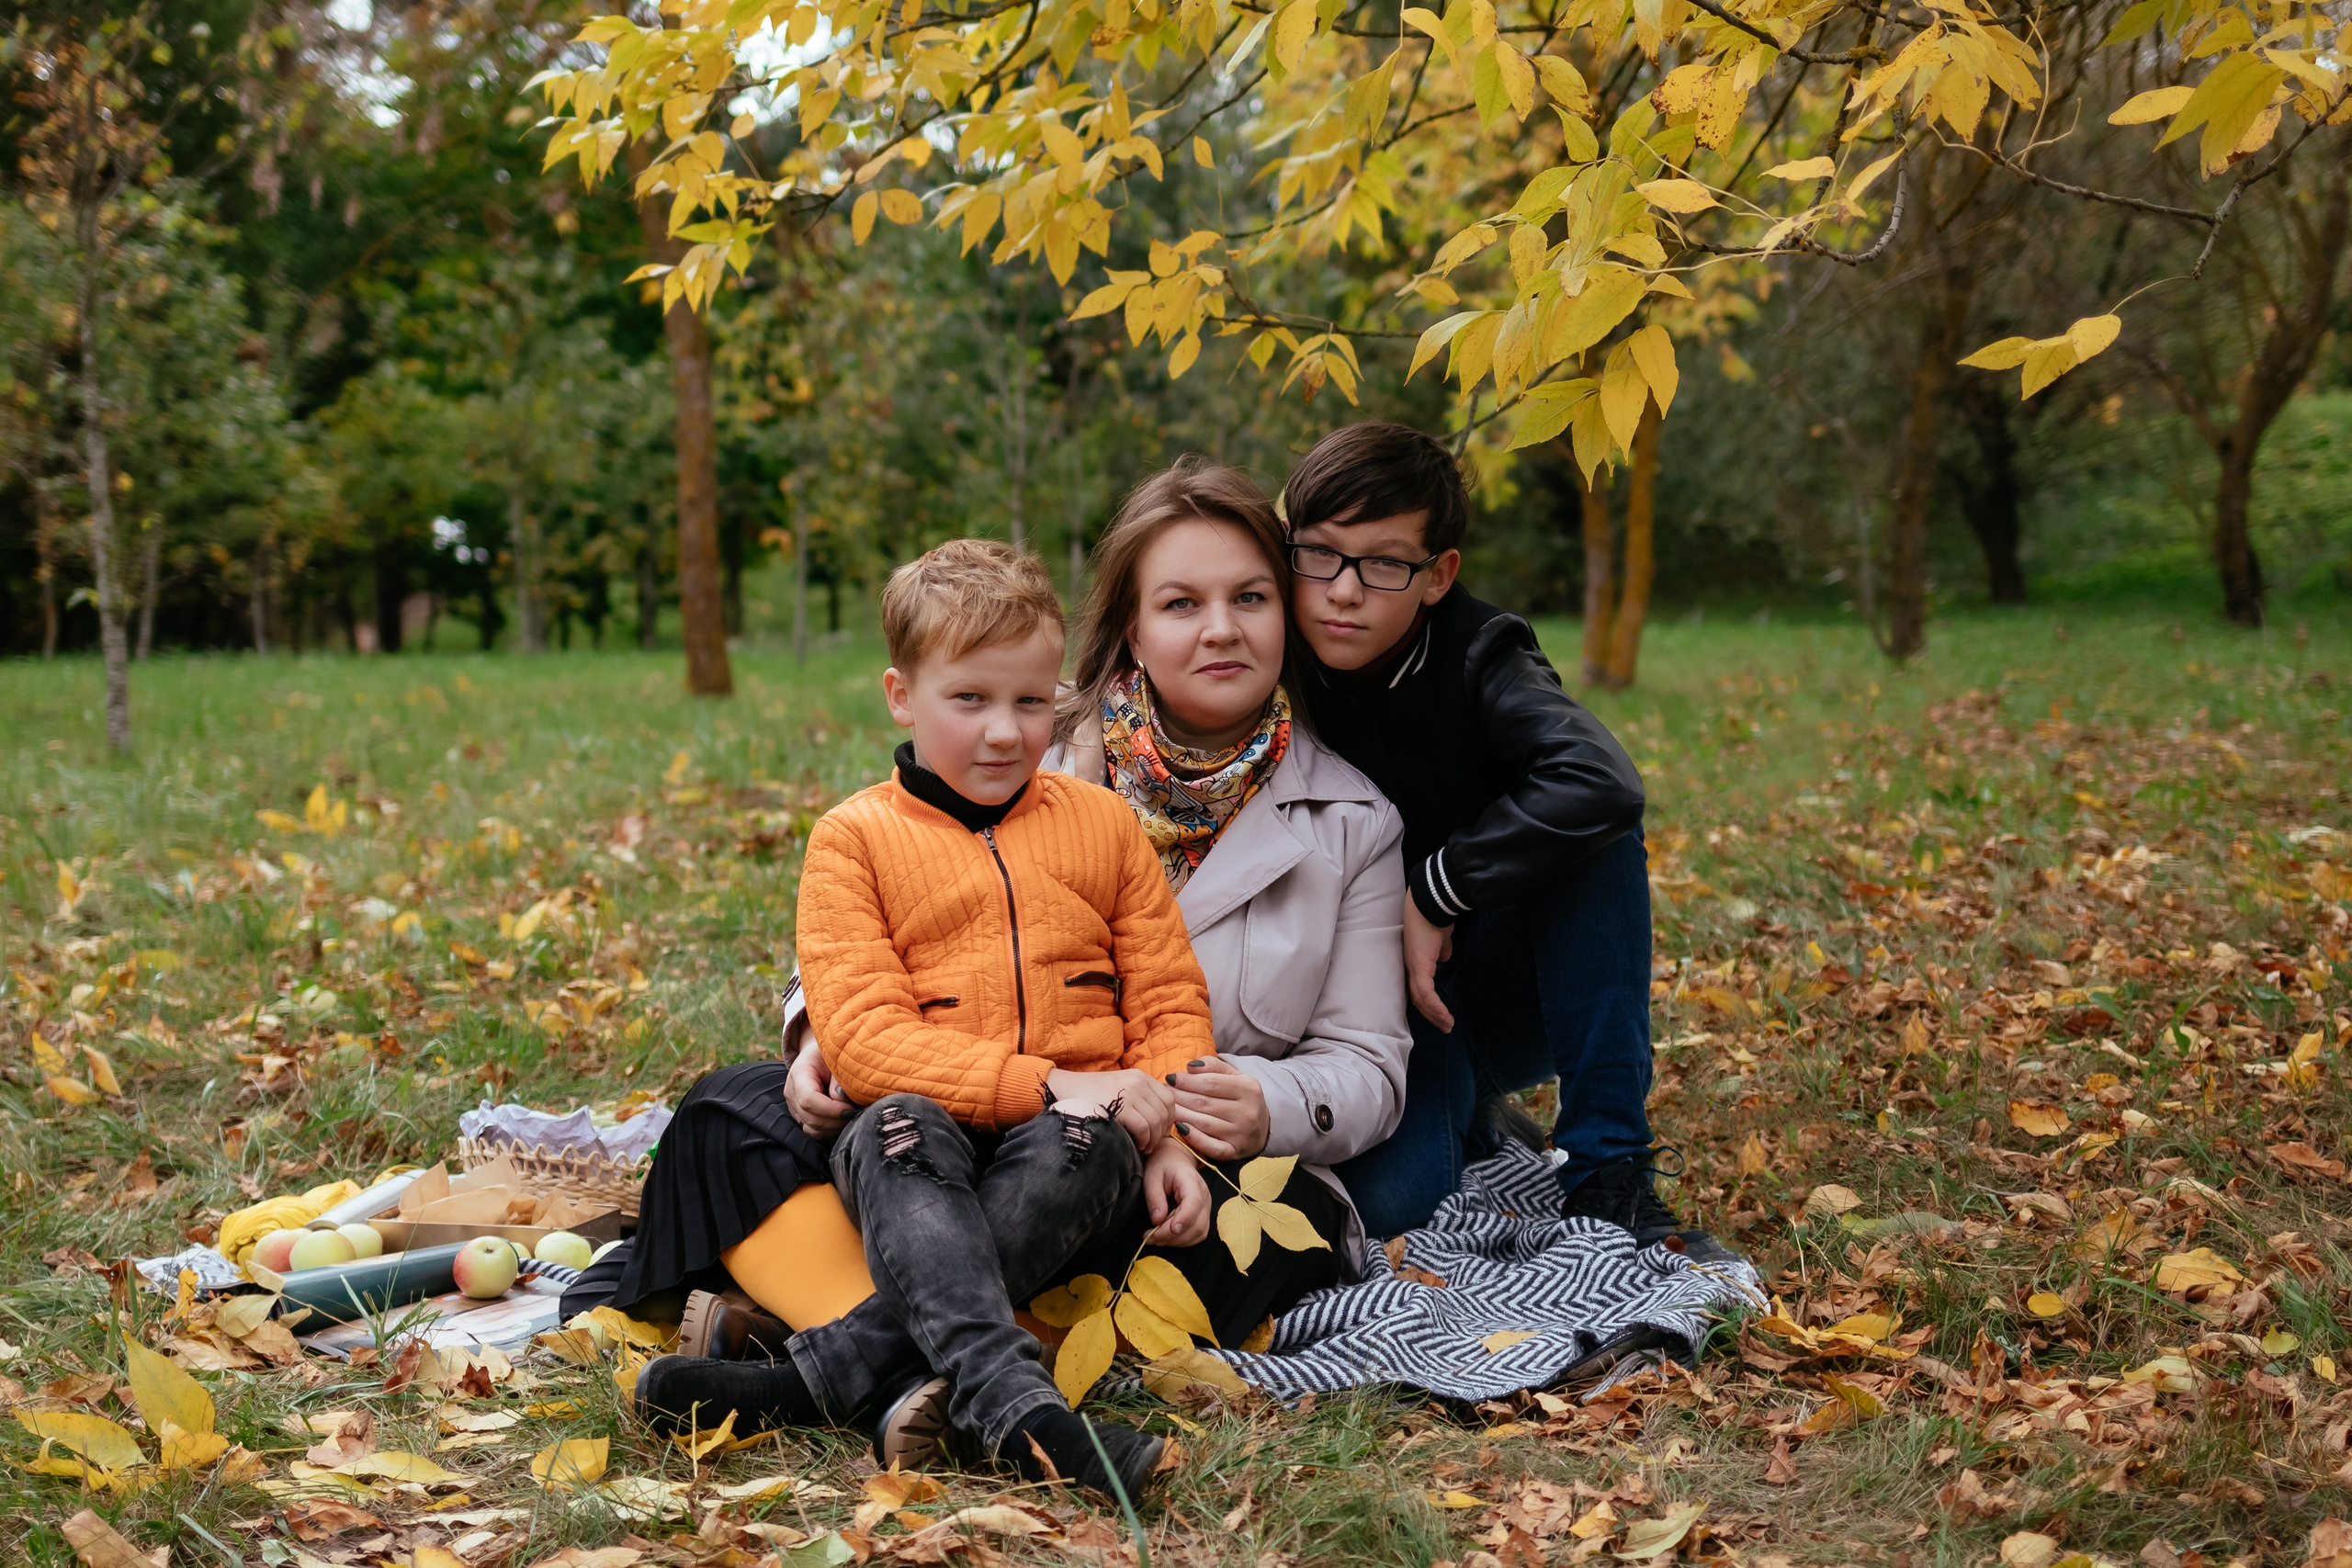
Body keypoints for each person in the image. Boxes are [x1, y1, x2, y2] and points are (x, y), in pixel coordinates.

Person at [774, 459, 1410, 1397]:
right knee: (748, 1124)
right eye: (1182, 602)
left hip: (1171, 1154)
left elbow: (1368, 1064)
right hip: (966, 1093)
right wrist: (820, 1035)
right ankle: (972, 1358)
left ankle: (848, 1356)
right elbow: (894, 902)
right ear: (1134, 628)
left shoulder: (1352, 820)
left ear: (1288, 616)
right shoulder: (1024, 732)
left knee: (1264, 1237)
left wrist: (1255, 1103)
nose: (1222, 628)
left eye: (1250, 597)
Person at [628, 538, 1215, 1499]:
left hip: (1064, 1149)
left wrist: (1173, 1135)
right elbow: (861, 1037)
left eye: (1030, 703)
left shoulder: (1102, 826)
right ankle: (1023, 1412)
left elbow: (1164, 994)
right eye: (969, 700)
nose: (1002, 733)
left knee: (1092, 1139)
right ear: (902, 694)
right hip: (913, 1130)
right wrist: (1051, 1079)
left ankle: (820, 1377)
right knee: (902, 1121)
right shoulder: (855, 839)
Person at [1280, 422, 1726, 1259]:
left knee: (1593, 837)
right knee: (1389, 1204)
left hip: (1473, 980)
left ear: (1438, 574)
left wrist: (1440, 885)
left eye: (1384, 564)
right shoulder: (1270, 649)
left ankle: (1608, 1170)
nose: (1343, 590)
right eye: (1321, 555)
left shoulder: (1481, 653)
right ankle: (1470, 1110)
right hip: (1359, 1008)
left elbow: (1600, 780)